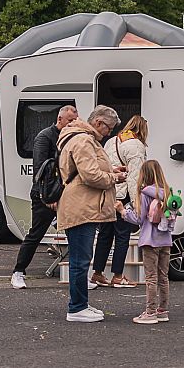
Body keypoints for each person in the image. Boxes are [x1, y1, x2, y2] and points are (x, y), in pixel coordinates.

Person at [57, 105, 127, 323]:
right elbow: (90, 176)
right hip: (81, 207)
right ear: (98, 123)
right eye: (109, 128)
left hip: (82, 205)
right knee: (80, 260)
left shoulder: (82, 139)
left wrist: (110, 171)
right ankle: (76, 308)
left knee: (82, 258)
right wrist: (113, 178)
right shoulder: (84, 140)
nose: (110, 133)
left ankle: (81, 304)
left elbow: (89, 171)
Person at [10, 105, 79, 289]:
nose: (73, 124)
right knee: (36, 233)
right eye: (70, 120)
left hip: (65, 193)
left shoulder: (72, 137)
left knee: (75, 233)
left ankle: (80, 276)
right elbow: (41, 170)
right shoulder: (45, 136)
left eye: (75, 120)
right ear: (60, 119)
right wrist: (49, 197)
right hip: (44, 193)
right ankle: (18, 272)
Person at [90, 115, 149, 288]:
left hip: (108, 193)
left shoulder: (112, 141)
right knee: (122, 236)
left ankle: (98, 273)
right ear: (142, 129)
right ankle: (117, 275)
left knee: (105, 235)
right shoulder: (136, 145)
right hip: (123, 196)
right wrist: (137, 202)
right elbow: (134, 177)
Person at [116, 159, 175, 324]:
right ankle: (162, 310)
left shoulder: (145, 193)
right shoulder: (168, 193)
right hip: (165, 240)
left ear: (144, 175)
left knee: (151, 278)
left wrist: (123, 211)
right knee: (163, 277)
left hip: (150, 241)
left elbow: (139, 219)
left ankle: (150, 313)